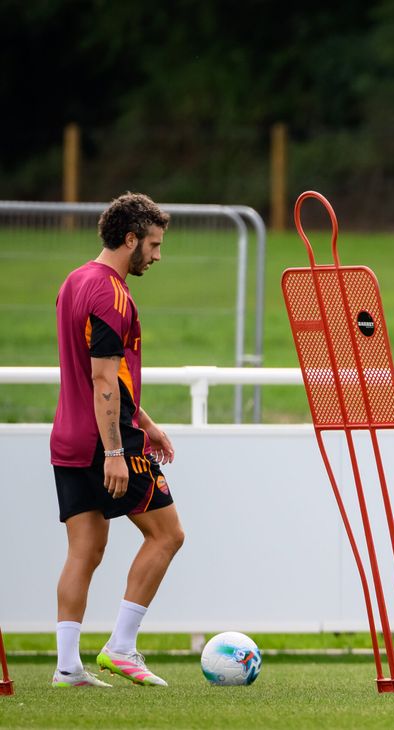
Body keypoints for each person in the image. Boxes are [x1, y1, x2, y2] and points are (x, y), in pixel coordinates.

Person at [50, 192, 185, 688]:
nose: (156, 254)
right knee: (168, 535)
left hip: (66, 437)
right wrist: (115, 451)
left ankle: (68, 667)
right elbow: (105, 379)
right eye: (152, 244)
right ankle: (121, 648)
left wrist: (146, 423)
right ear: (130, 239)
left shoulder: (74, 282)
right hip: (103, 441)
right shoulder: (112, 294)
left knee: (84, 551)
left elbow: (101, 376)